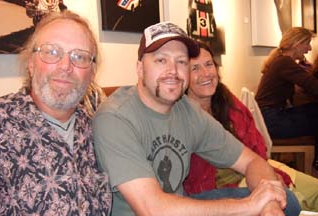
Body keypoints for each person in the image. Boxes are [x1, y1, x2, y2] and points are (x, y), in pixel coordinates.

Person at [93, 21, 300, 216]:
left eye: (181, 61)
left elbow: (252, 161)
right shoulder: (115, 117)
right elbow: (152, 209)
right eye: (161, 60)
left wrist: (268, 205)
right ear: (140, 68)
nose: (173, 71)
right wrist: (249, 206)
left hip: (180, 207)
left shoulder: (186, 110)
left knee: (287, 202)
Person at [0, 10, 111, 215]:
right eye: (51, 52)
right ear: (31, 63)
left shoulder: (99, 128)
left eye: (79, 56)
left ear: (92, 73)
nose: (65, 66)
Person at [184, 41, 318, 211]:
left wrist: (267, 173)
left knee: (315, 191)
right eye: (194, 68)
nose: (205, 73)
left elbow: (256, 146)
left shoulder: (226, 99)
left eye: (209, 64)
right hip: (226, 186)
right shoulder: (182, 115)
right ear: (182, 75)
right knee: (292, 202)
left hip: (257, 168)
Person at [255, 27, 318, 170]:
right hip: (272, 121)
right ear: (297, 43)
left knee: (314, 109)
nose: (308, 49)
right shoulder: (285, 62)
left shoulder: (280, 60)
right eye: (307, 43)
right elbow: (313, 85)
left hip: (268, 117)